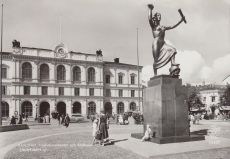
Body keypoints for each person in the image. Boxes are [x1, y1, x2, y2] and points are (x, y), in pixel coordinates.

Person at [147, 4, 185, 76]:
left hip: (163, 43)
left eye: (160, 16)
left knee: (173, 49)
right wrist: (150, 9)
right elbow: (149, 18)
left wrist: (181, 20)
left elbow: (172, 26)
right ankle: (155, 74)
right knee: (156, 59)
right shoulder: (153, 26)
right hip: (156, 43)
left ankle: (173, 63)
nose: (159, 17)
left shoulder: (163, 27)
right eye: (158, 15)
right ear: (155, 17)